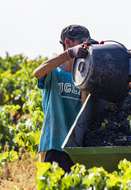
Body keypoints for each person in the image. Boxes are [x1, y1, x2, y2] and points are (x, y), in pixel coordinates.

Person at [33, 24, 92, 173]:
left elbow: (85, 107)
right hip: (53, 145)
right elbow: (37, 73)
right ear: (68, 43)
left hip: (76, 147)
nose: (86, 48)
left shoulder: (82, 76)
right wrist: (69, 54)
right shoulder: (53, 72)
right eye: (83, 44)